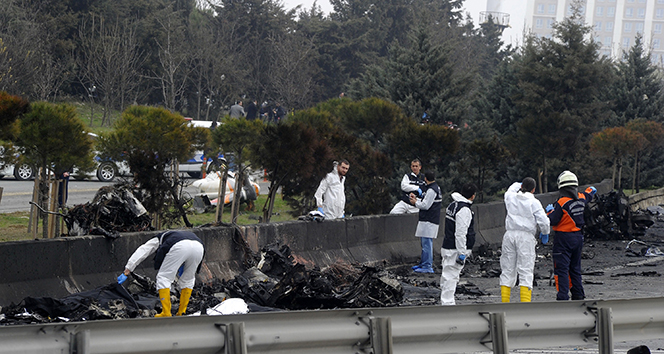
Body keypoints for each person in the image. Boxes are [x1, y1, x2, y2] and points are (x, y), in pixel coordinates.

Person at [117, 230, 205, 317]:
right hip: (199, 247)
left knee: (164, 277)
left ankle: (166, 312)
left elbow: (143, 250)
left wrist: (127, 270)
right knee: (188, 279)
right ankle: (182, 312)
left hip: (179, 246)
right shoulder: (181, 234)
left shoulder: (159, 238)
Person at [546, 171, 596, 301]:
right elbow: (588, 195)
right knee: (575, 268)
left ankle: (562, 296)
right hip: (578, 237)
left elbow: (553, 220)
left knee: (561, 269)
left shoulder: (562, 202)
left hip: (563, 239)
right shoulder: (581, 198)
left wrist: (549, 211)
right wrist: (591, 190)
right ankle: (578, 294)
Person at [499, 177, 550, 303]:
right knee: (525, 270)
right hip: (526, 237)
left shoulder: (510, 197)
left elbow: (511, 188)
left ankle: (505, 304)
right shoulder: (534, 202)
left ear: (521, 187)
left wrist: (519, 184)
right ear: (533, 190)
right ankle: (525, 305)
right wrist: (545, 233)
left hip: (509, 235)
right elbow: (544, 221)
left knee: (507, 269)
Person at [440, 183, 476, 305]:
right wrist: (462, 252)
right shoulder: (464, 210)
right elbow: (460, 233)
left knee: (446, 276)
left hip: (447, 246)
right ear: (472, 196)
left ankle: (445, 302)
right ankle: (448, 305)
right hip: (455, 249)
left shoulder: (452, 205)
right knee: (451, 277)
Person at [409, 170, 442, 274]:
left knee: (427, 244)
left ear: (425, 179)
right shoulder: (434, 188)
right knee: (425, 243)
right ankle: (423, 263)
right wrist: (417, 200)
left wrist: (415, 203)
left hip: (429, 220)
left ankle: (427, 266)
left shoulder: (432, 190)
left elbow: (426, 205)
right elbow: (426, 201)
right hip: (428, 220)